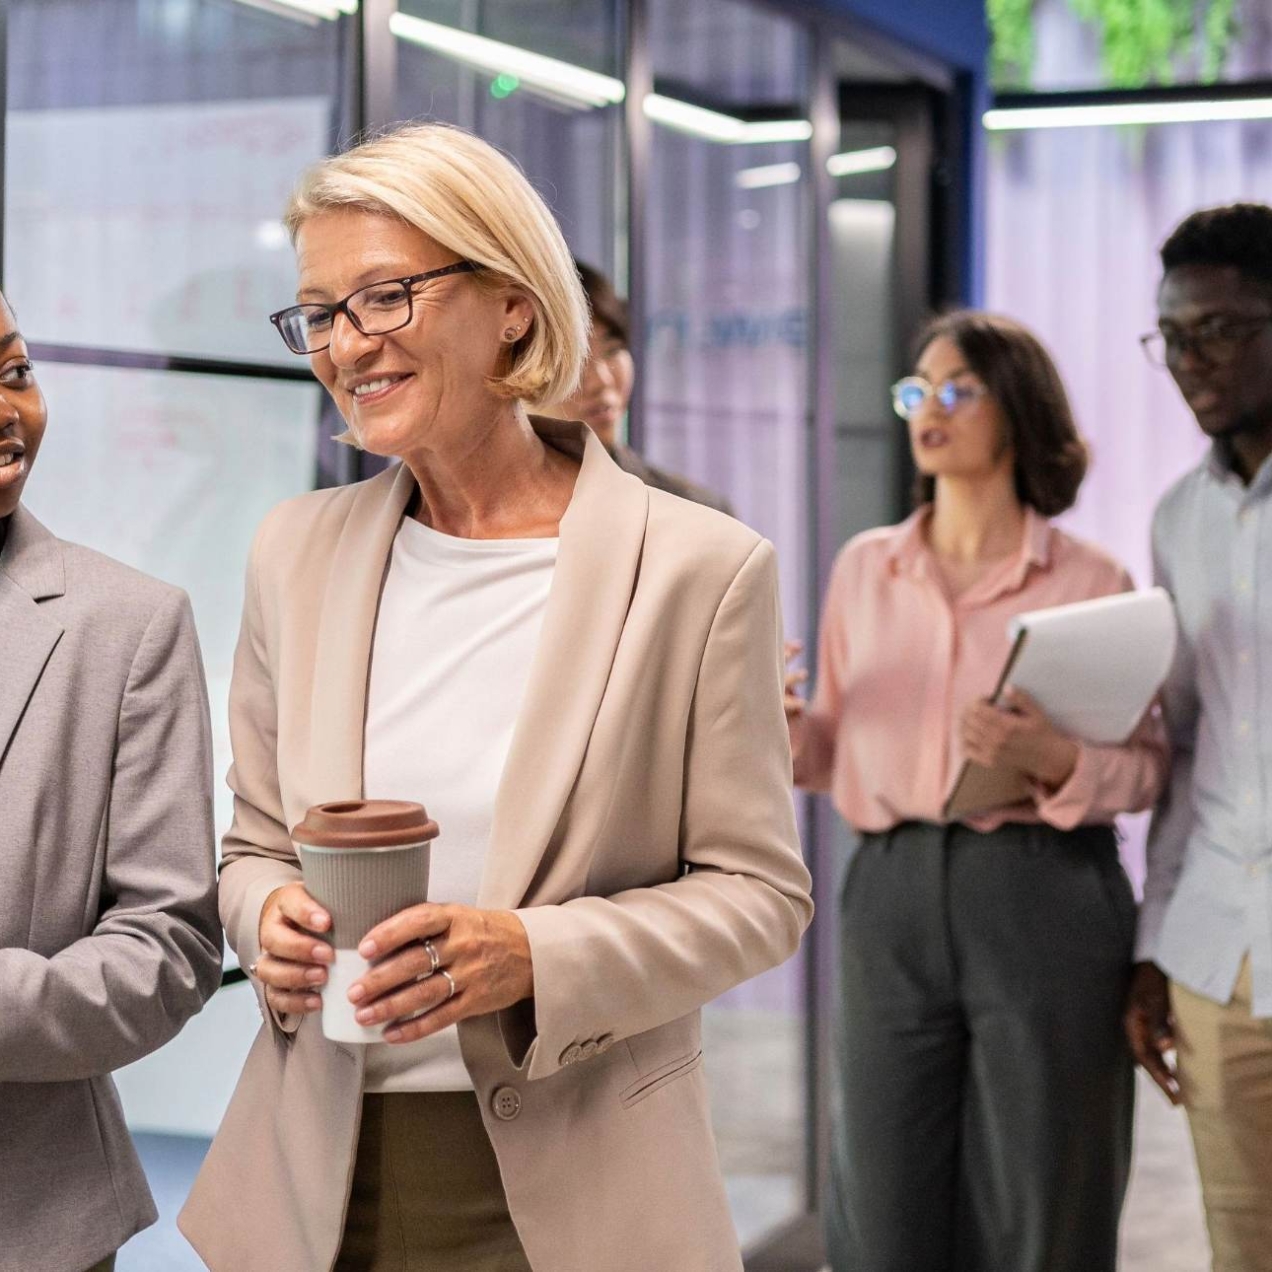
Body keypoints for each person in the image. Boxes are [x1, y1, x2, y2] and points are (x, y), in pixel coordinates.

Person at [178, 122, 812, 1272]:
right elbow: (257, 845)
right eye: (320, 313)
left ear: (513, 302)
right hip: (317, 1183)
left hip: (577, 1195)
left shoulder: (698, 570)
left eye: (382, 298)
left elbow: (760, 895)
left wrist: (535, 954)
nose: (343, 345)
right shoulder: (294, 552)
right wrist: (263, 918)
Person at [788, 310, 1168, 1272]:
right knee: (878, 1185)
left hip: (1042, 890)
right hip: (889, 890)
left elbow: (1149, 765)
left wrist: (1051, 759)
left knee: (1049, 1186)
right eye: (917, 390)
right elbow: (827, 754)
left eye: (958, 389)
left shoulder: (1092, 581)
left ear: (1018, 412)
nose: (930, 408)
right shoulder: (864, 569)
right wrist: (772, 725)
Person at [0, 294, 221, 1272]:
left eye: (13, 372)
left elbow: (170, 948)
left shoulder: (127, 627)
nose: (9, 410)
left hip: (30, 1219)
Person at [1125, 202, 1272, 1272]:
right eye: (1173, 337)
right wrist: (1151, 951)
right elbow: (1185, 745)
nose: (1189, 362)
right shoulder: (1181, 517)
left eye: (1218, 330)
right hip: (1221, 961)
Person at [550, 259, 734, 514]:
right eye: (574, 361)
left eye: (613, 350)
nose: (601, 381)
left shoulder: (695, 512)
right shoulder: (488, 519)